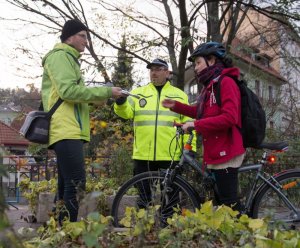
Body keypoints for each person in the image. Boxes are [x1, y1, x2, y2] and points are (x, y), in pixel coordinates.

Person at [41, 19, 123, 224]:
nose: (86, 41)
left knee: (66, 184)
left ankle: (61, 232)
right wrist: (105, 91)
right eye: (83, 36)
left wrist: (100, 100)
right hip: (65, 129)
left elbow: (73, 98)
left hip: (69, 128)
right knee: (77, 182)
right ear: (69, 36)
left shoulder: (69, 59)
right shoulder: (60, 57)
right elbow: (68, 92)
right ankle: (69, 231)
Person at [162, 42, 246, 213]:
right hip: (216, 150)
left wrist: (196, 124)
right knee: (224, 203)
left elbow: (230, 117)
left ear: (212, 60)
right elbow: (202, 113)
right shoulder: (210, 87)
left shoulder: (226, 82)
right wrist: (176, 106)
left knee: (230, 205)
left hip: (227, 150)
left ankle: (250, 233)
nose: (196, 67)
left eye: (198, 63)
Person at [114, 58, 194, 215]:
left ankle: (168, 231)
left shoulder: (179, 95)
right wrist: (121, 102)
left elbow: (190, 124)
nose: (154, 73)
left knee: (170, 198)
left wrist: (189, 149)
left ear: (167, 72)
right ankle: (143, 232)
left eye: (158, 69)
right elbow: (125, 114)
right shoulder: (138, 93)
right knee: (143, 199)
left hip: (170, 155)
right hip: (144, 154)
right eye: (152, 70)